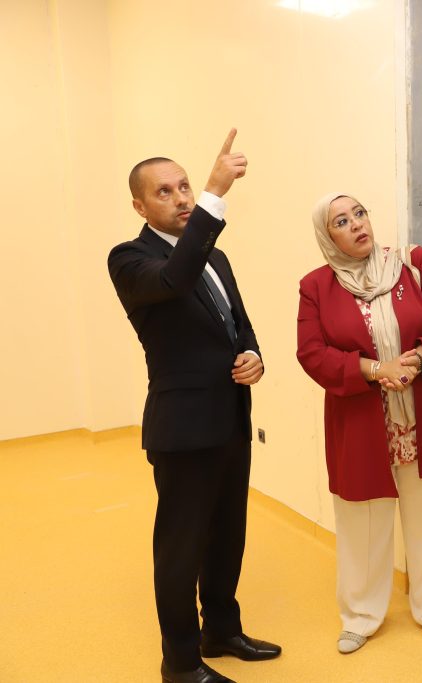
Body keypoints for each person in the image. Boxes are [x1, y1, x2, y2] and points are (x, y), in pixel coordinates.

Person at [108, 130, 280, 683]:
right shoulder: (130, 258)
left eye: (185, 186)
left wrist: (253, 356)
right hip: (182, 431)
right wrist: (214, 191)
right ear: (140, 206)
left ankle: (221, 630)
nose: (181, 198)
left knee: (228, 536)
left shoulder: (217, 257)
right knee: (181, 550)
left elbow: (238, 325)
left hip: (230, 421)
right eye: (165, 191)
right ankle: (180, 664)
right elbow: (173, 279)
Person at [296, 192, 422, 654]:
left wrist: (418, 358)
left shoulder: (411, 264)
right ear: (326, 236)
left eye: (360, 213)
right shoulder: (316, 287)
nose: (356, 224)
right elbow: (311, 354)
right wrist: (375, 370)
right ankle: (361, 616)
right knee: (362, 524)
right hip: (361, 425)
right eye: (341, 221)